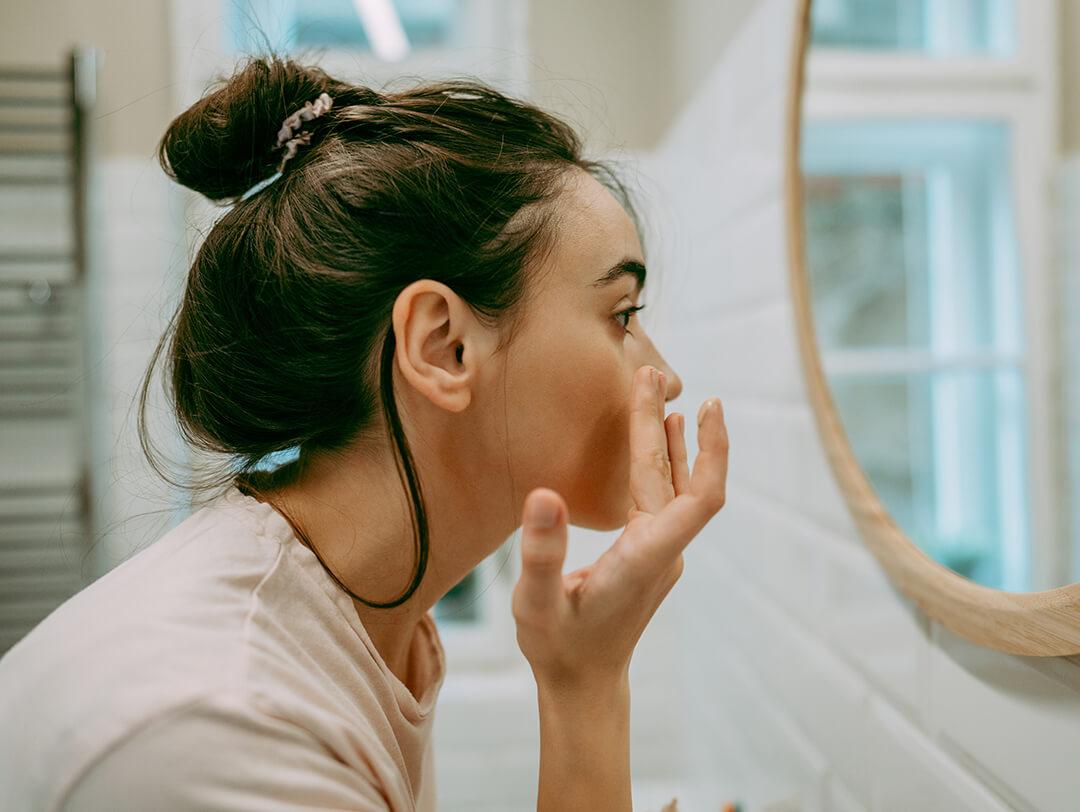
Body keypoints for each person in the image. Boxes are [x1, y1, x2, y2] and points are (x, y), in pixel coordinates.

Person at [0, 54, 729, 812]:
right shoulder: (225, 723)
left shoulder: (378, 627)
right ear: (441, 346)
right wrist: (587, 689)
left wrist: (586, 676)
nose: (664, 375)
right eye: (622, 315)